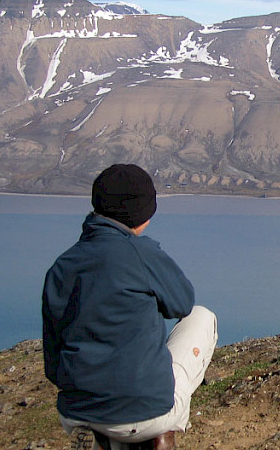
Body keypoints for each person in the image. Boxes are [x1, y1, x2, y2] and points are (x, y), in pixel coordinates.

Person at [42, 164, 218, 450]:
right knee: (202, 317)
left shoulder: (61, 266)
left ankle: (100, 436)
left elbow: (52, 363)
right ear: (145, 213)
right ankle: (161, 435)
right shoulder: (142, 253)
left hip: (77, 410)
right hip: (144, 410)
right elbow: (183, 303)